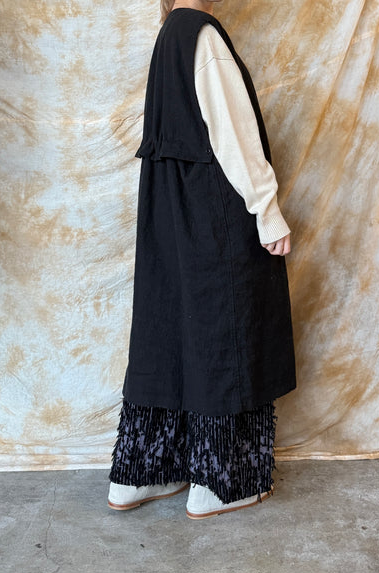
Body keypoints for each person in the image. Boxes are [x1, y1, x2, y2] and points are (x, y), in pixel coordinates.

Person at [107, 0, 297, 519]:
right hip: (213, 218)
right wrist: (267, 212)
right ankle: (219, 484)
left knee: (169, 334)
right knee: (225, 334)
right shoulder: (204, 37)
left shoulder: (167, 36)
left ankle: (141, 475)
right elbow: (234, 135)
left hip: (171, 220)